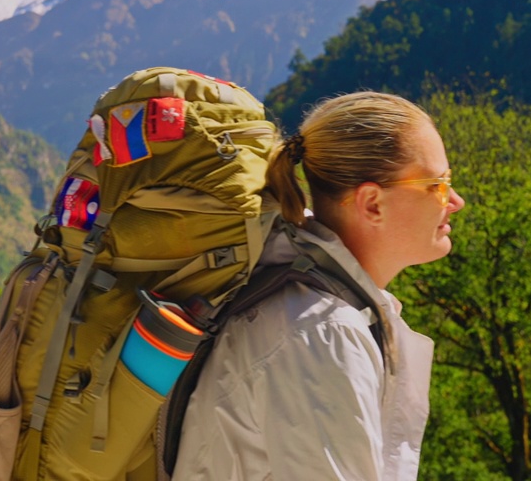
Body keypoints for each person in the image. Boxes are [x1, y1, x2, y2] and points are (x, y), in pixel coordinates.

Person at [171, 91, 465, 481]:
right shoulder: (321, 337)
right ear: (372, 204)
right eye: (438, 184)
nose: (455, 201)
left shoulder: (318, 310)